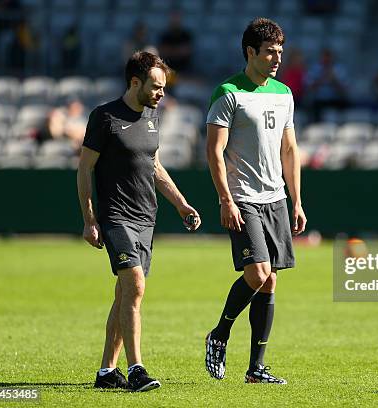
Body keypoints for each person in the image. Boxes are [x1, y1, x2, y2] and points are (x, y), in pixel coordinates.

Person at [77, 51, 201, 392]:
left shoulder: (152, 117)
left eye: (163, 87)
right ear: (136, 82)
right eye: (157, 86)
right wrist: (90, 219)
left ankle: (106, 372)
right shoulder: (104, 117)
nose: (162, 93)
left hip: (147, 218)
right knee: (135, 285)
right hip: (115, 217)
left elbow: (155, 167)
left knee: (124, 295)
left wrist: (181, 204)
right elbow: (85, 169)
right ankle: (137, 370)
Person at [205, 18, 307, 384]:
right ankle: (219, 334)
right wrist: (225, 199)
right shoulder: (228, 92)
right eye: (270, 52)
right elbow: (214, 151)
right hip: (243, 198)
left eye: (280, 51)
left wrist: (296, 201)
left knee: (270, 283)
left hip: (276, 197)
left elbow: (290, 149)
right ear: (251, 52)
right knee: (258, 273)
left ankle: (256, 369)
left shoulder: (284, 94)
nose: (277, 58)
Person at [306, 48, 348, 121]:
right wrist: (322, 78)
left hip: (335, 99)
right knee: (311, 107)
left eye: (328, 57)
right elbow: (309, 88)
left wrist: (333, 80)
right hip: (319, 99)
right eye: (325, 57)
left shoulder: (339, 69)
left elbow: (344, 90)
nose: (327, 60)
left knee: (345, 105)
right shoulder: (315, 69)